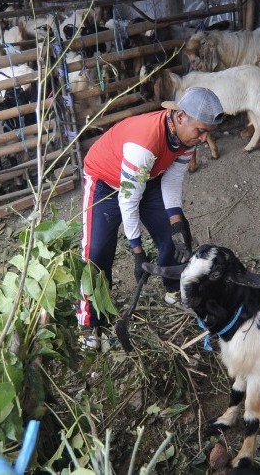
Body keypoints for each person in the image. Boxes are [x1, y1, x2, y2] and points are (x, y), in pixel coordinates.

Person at [77, 86, 224, 349]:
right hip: (106, 182)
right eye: (200, 131)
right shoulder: (144, 142)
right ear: (180, 117)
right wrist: (137, 252)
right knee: (97, 253)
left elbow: (173, 180)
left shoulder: (185, 139)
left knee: (175, 236)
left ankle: (172, 289)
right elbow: (128, 199)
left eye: (207, 133)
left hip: (148, 177)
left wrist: (176, 221)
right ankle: (90, 319)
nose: (203, 138)